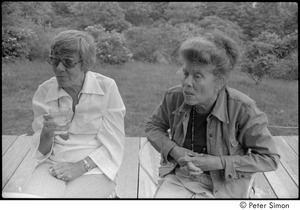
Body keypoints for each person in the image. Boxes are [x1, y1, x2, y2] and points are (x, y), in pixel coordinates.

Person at [145, 32, 280, 198]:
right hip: (181, 177)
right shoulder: (174, 97)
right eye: (186, 73)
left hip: (228, 183)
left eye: (197, 76)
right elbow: (153, 127)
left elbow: (270, 158)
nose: (187, 83)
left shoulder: (243, 108)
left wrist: (218, 162)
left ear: (220, 81)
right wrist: (176, 151)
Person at [23, 30, 126, 198]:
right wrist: (46, 134)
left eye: (68, 62)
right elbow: (41, 151)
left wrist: (79, 166)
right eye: (54, 60)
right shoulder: (44, 91)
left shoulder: (107, 88)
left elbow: (114, 143)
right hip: (53, 164)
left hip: (95, 166)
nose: (59, 68)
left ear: (85, 63)